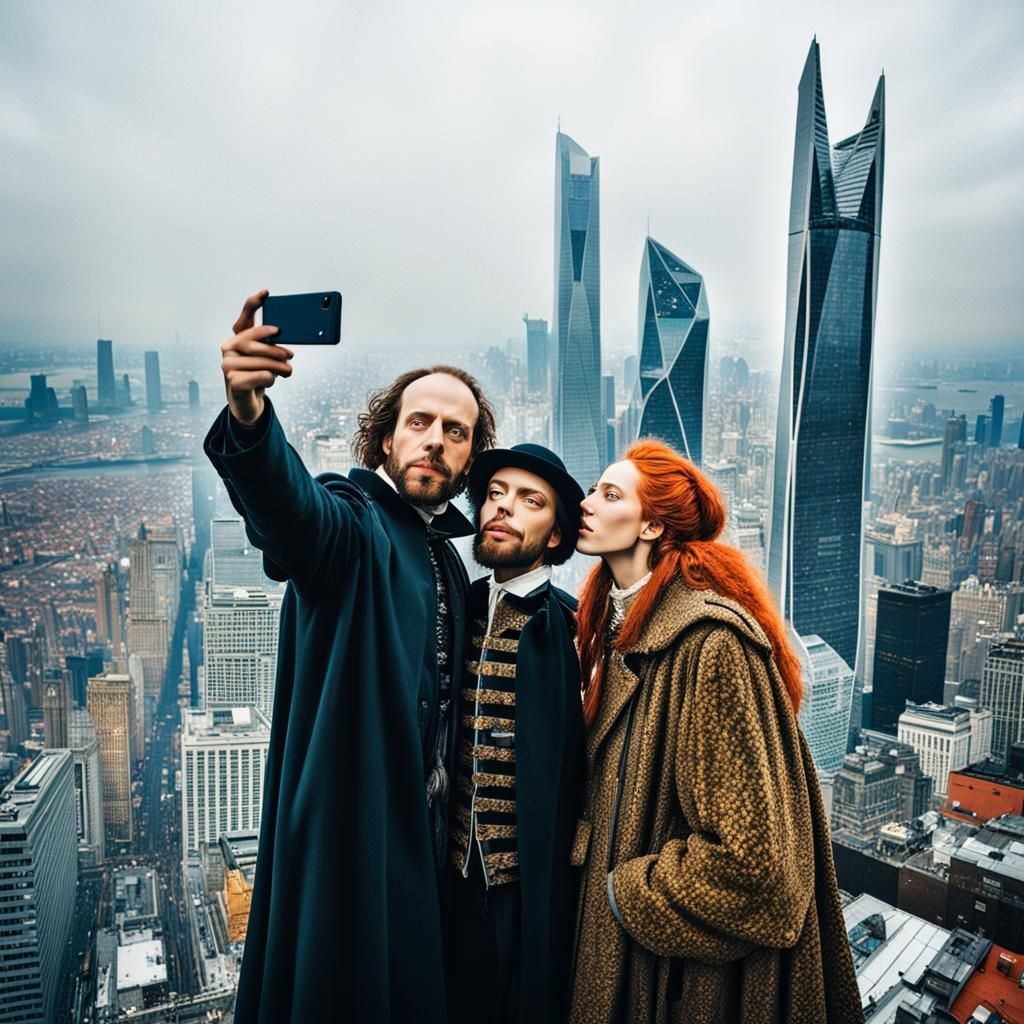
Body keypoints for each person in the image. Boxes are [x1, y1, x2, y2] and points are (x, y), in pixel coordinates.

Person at [204, 291, 496, 1023]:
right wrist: (249, 416)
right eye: (419, 422)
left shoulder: (449, 562)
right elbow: (295, 516)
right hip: (351, 850)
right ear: (386, 441)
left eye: (455, 432)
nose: (435, 440)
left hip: (426, 856)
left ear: (470, 460)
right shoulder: (356, 523)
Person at [568, 440, 862, 1024]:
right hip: (628, 963)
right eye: (594, 489)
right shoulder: (619, 631)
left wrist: (624, 893)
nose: (587, 502)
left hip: (671, 983)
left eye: (611, 494)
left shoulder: (711, 645)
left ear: (652, 525)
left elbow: (757, 870)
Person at [447, 445, 585, 1024]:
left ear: (554, 535)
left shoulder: (573, 628)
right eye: (495, 494)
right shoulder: (458, 606)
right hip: (448, 883)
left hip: (526, 892)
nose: (502, 508)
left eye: (530, 501)